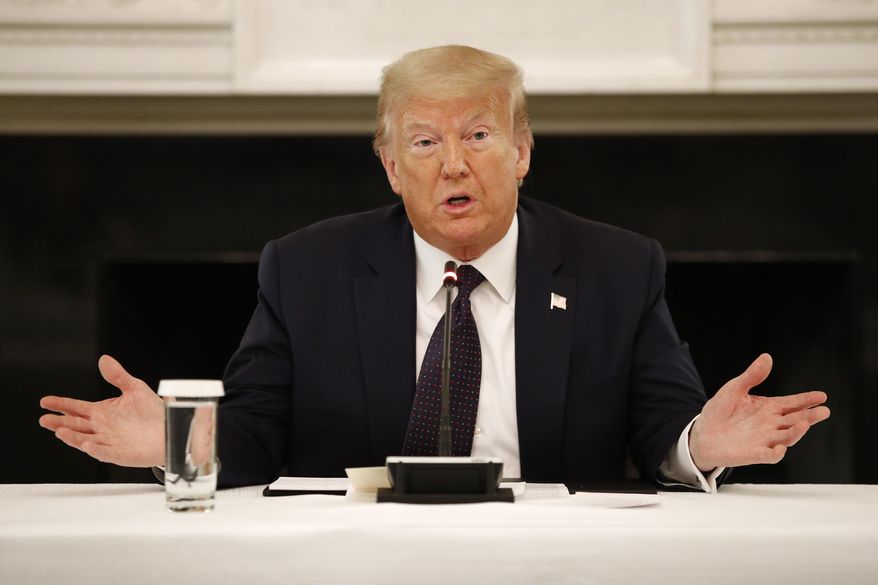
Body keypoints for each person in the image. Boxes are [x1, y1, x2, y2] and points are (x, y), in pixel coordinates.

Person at [39, 45, 830, 491]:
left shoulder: (617, 267)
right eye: (424, 143)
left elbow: (665, 430)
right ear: (389, 166)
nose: (454, 164)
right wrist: (172, 441)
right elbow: (253, 431)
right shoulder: (306, 267)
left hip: (552, 565)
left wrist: (707, 442)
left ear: (521, 152)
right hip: (355, 567)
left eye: (479, 137)